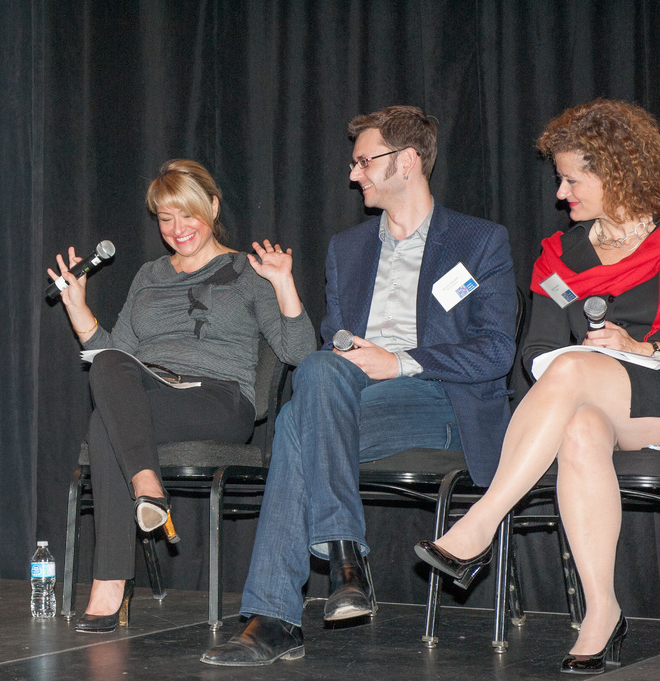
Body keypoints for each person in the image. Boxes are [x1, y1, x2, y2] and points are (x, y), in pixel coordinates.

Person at [201, 105, 517, 666]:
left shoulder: (479, 241)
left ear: (409, 161)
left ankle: (279, 612)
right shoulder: (347, 249)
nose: (354, 175)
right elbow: (332, 342)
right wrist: (352, 356)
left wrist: (401, 362)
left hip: (441, 398)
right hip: (352, 397)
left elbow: (496, 352)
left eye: (364, 161)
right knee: (318, 376)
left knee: (300, 420)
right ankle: (342, 555)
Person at [415, 99, 660, 675]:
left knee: (572, 373)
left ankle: (481, 521)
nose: (561, 194)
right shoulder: (559, 256)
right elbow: (535, 353)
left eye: (574, 179)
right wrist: (581, 359)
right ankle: (603, 611)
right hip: (601, 402)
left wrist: (642, 348)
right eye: (560, 179)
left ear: (617, 170)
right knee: (576, 422)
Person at [48, 159, 316, 634]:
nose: (177, 229)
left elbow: (300, 353)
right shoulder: (150, 275)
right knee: (108, 370)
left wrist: (283, 282)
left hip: (218, 400)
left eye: (187, 215)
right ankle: (147, 483)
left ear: (212, 206)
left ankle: (110, 581)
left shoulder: (247, 271)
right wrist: (78, 308)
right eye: (166, 219)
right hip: (150, 391)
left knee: (104, 422)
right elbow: (116, 357)